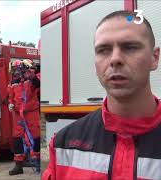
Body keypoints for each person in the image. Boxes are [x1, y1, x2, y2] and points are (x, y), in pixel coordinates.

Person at [42, 10, 161, 180]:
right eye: (103, 50)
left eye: (130, 47)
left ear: (154, 58)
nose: (115, 59)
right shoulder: (63, 146)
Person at [8, 59, 41, 175]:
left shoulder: (31, 80)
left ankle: (38, 162)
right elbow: (11, 96)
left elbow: (38, 84)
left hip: (31, 112)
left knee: (35, 136)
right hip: (18, 114)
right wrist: (10, 103)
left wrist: (30, 74)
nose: (15, 73)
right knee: (17, 138)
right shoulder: (13, 82)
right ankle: (18, 165)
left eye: (17, 70)